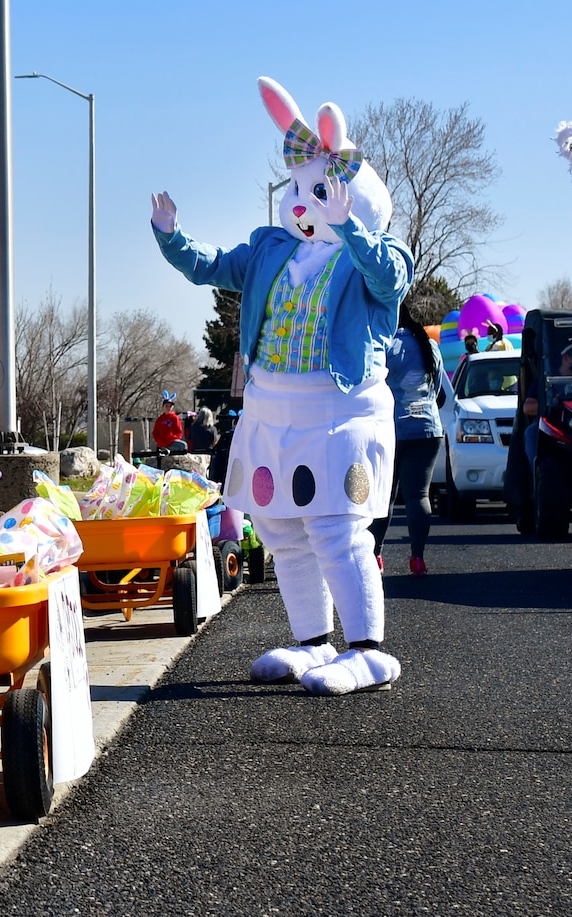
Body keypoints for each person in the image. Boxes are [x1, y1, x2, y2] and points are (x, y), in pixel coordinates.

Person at [151, 75, 411, 696]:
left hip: (338, 409)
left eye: (318, 192)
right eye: (298, 190)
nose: (302, 203)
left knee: (334, 527)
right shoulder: (273, 249)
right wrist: (171, 236)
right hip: (273, 410)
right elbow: (214, 266)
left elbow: (387, 281)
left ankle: (369, 650)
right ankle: (313, 640)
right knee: (282, 529)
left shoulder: (377, 255)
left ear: (354, 198)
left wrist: (349, 227)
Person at [370, 296, 444, 575]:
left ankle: (375, 556)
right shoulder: (429, 345)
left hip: (388, 429)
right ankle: (417, 558)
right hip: (426, 428)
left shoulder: (381, 345)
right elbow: (436, 388)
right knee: (418, 496)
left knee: (383, 497)